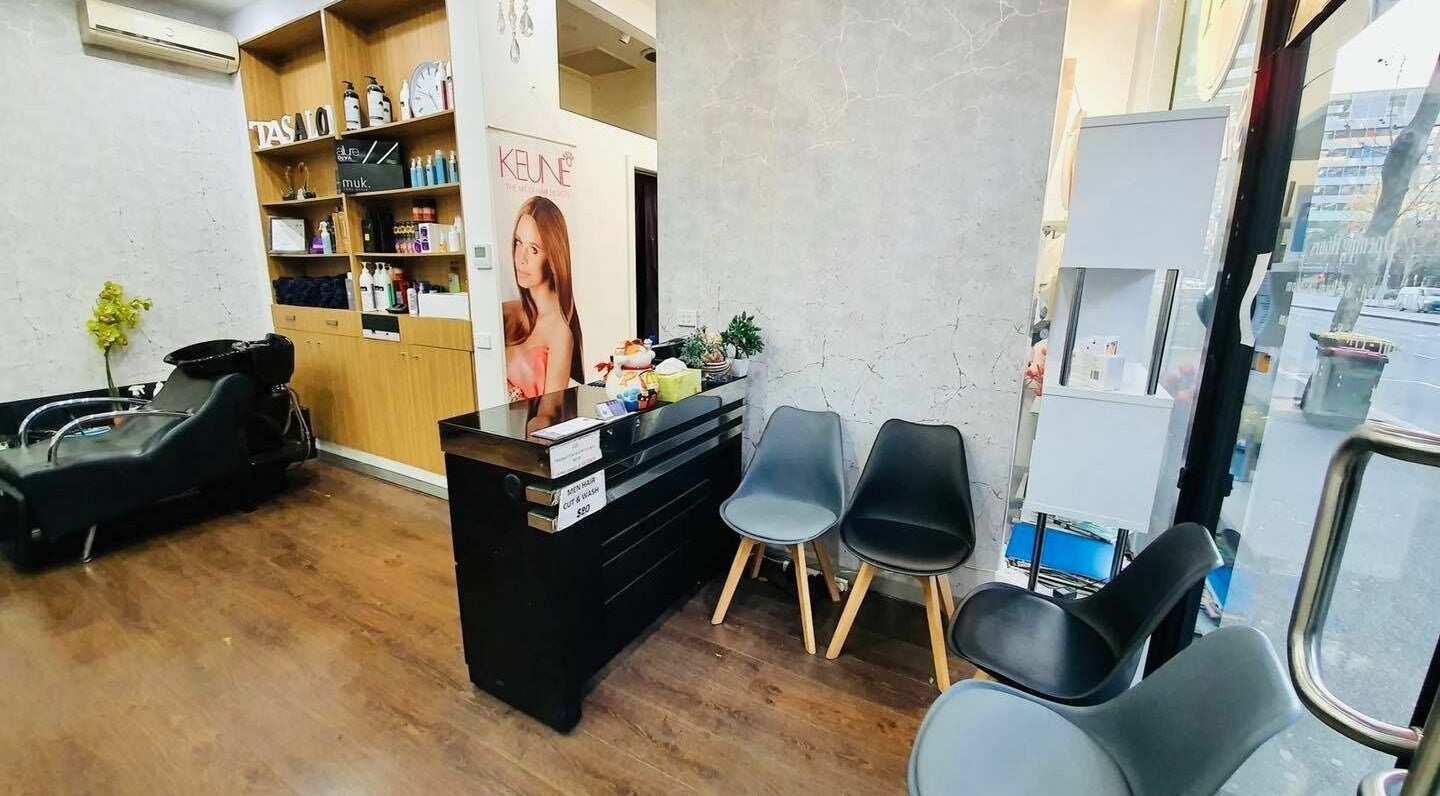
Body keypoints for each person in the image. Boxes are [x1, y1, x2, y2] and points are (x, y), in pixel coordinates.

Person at [503, 196, 584, 402]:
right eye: (518, 243)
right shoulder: (506, 314)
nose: (521, 259)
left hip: (527, 423)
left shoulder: (560, 331)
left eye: (534, 249)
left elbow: (550, 412)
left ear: (552, 255)